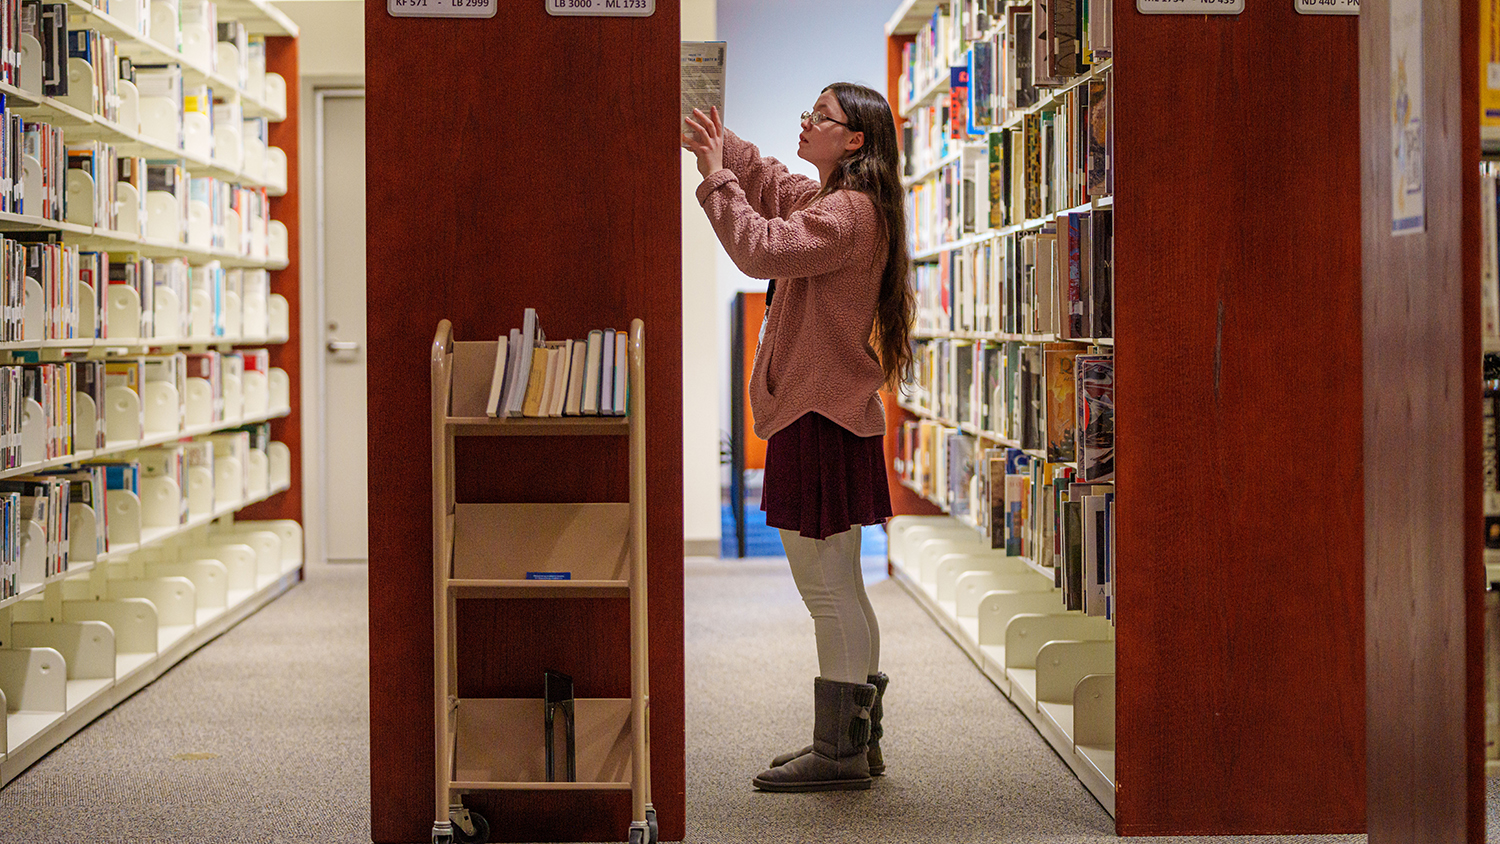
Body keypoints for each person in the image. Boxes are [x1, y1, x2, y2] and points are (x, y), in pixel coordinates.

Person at [681, 82, 914, 793]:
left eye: (822, 117)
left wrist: (714, 179)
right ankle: (855, 741)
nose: (806, 123)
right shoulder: (835, 200)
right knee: (842, 583)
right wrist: (720, 145)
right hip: (828, 414)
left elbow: (760, 247)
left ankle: (839, 753)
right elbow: (771, 182)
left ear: (855, 141)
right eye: (808, 112)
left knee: (826, 590)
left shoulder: (848, 213)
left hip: (818, 415)